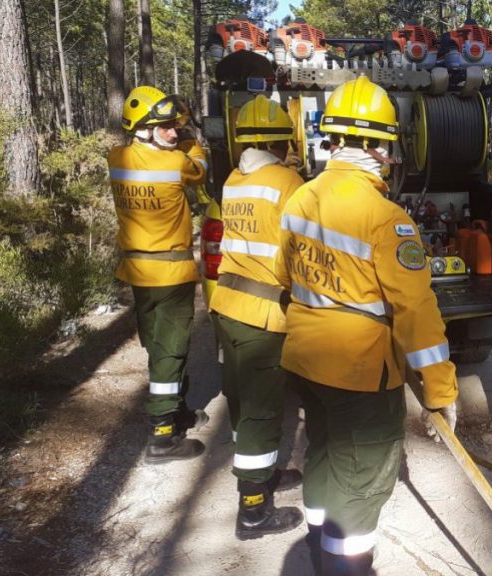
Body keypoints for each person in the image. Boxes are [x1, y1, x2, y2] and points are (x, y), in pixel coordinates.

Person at [275, 76, 458, 576]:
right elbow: (416, 314)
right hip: (360, 373)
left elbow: (286, 278)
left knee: (323, 451)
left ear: (331, 139)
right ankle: (346, 567)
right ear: (381, 146)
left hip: (304, 359)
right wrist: (441, 390)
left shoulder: (298, 201)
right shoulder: (387, 219)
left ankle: (318, 547)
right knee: (361, 482)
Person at [209, 95, 306, 540]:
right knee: (262, 412)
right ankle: (253, 510)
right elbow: (298, 251)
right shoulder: (288, 182)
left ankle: (262, 478)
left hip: (227, 306)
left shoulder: (232, 180)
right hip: (263, 314)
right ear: (282, 141)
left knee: (242, 399)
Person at [108, 85, 209, 463]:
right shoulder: (176, 163)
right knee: (171, 349)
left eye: (175, 126)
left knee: (156, 343)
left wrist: (170, 138)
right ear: (145, 129)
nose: (174, 131)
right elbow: (200, 172)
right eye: (165, 126)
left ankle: (177, 411)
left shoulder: (116, 157)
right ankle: (162, 434)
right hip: (169, 271)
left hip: (136, 269)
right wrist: (191, 143)